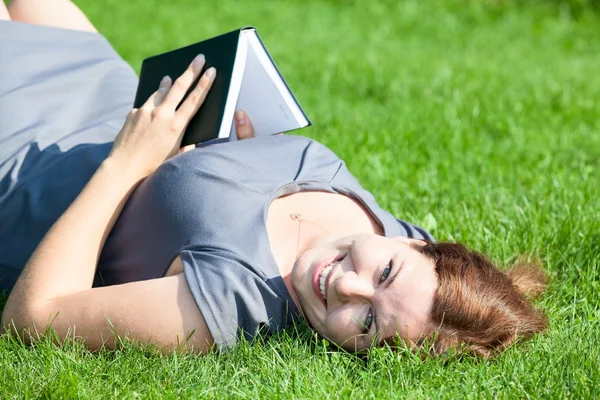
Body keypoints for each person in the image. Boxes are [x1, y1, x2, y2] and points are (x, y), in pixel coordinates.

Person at [0, 1, 547, 358]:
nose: (346, 287)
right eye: (383, 273)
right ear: (414, 241)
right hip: (99, 86)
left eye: (366, 325)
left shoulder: (232, 300)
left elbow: (32, 318)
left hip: (20, 154)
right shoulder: (379, 223)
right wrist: (220, 152)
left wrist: (127, 163)